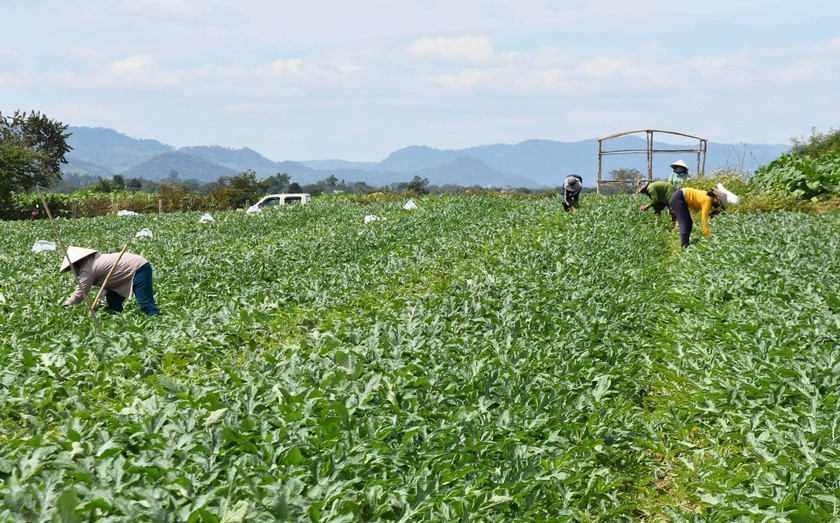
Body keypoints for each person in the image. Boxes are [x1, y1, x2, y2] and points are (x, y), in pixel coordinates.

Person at [60, 246, 160, 316]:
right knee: (113, 301)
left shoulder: (88, 269)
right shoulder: (93, 261)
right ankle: (119, 323)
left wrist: (66, 305)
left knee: (145, 303)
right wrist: (100, 300)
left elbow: (80, 292)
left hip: (138, 268)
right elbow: (106, 283)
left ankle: (156, 320)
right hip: (126, 272)